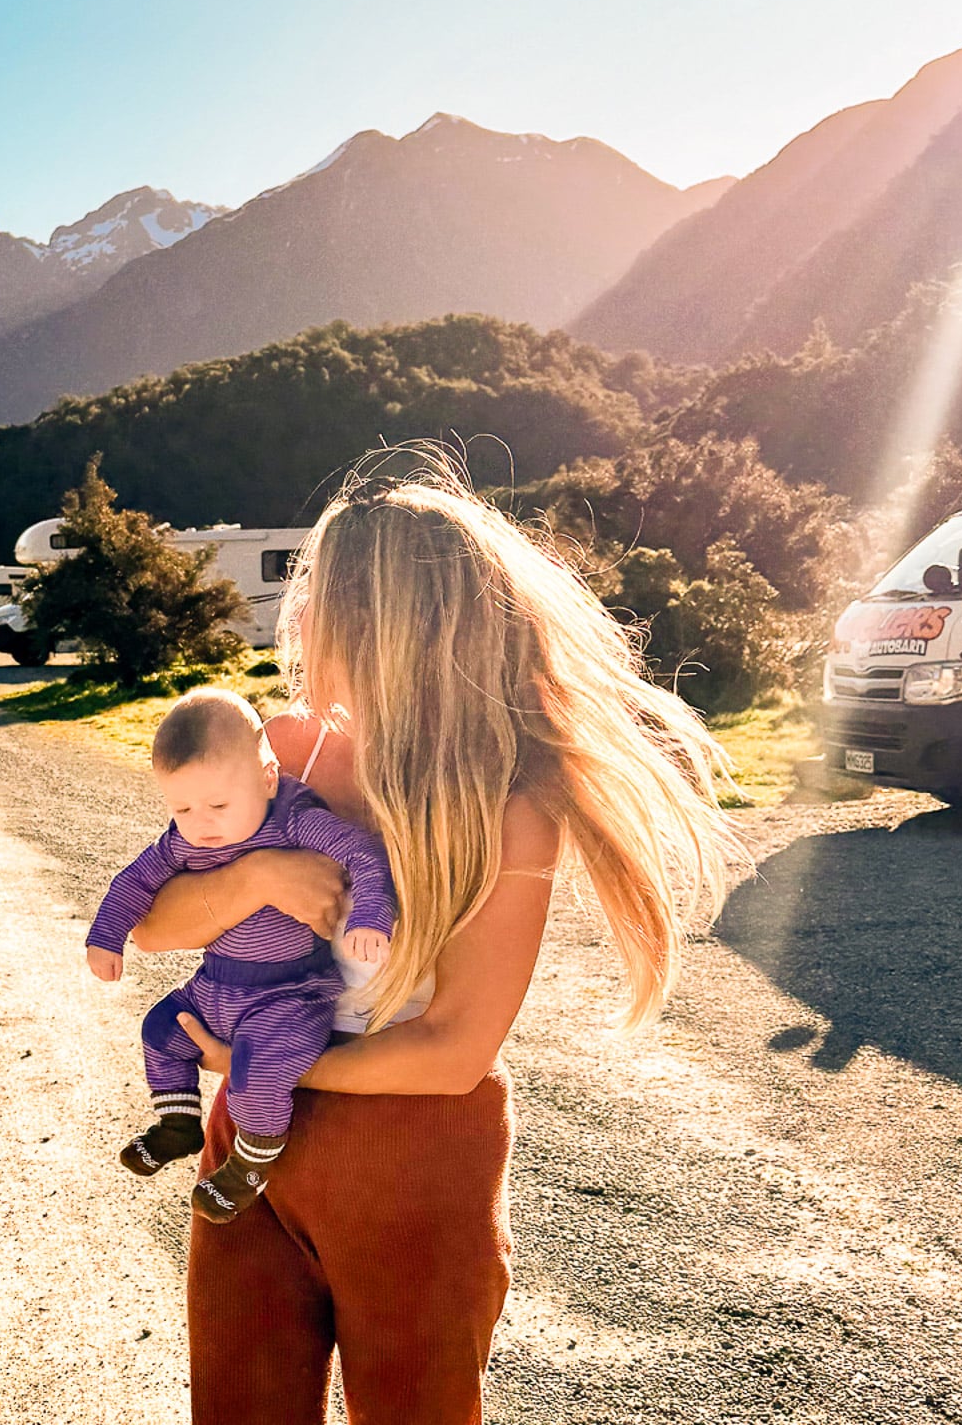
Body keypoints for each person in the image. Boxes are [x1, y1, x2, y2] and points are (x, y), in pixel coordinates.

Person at [128, 457, 739, 1425]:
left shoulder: (506, 800)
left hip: (408, 1154)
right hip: (251, 1138)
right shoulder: (282, 751)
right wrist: (253, 878)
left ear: (372, 616)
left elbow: (454, 1052)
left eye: (318, 593)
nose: (300, 616)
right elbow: (150, 926)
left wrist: (265, 1061)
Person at [87, 688, 395, 1222]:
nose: (201, 823)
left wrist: (370, 915)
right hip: (216, 984)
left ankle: (249, 1167)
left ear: (268, 779)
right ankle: (178, 1126)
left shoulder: (294, 821)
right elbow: (135, 883)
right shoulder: (187, 839)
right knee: (160, 1031)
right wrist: (105, 936)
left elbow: (363, 854)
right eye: (181, 807)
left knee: (258, 1073)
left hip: (290, 993)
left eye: (219, 806)